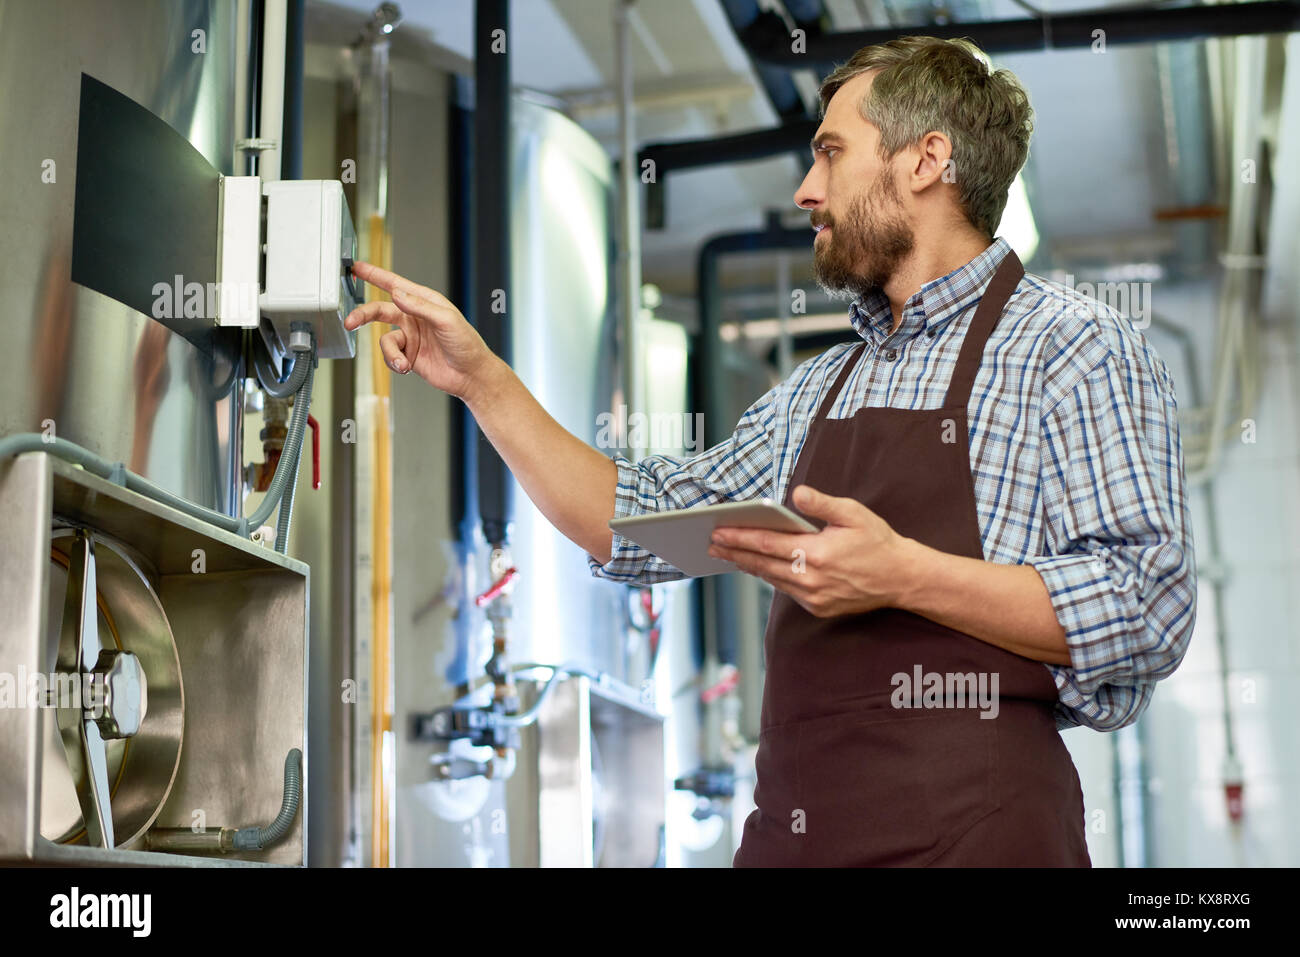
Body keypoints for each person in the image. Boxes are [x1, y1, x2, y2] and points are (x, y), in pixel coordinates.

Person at [344, 36, 1196, 867]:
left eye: (830, 153)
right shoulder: (817, 387)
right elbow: (632, 524)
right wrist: (484, 381)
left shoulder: (1073, 347)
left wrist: (901, 574)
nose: (805, 190)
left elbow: (1147, 600)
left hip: (980, 833)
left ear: (926, 160)